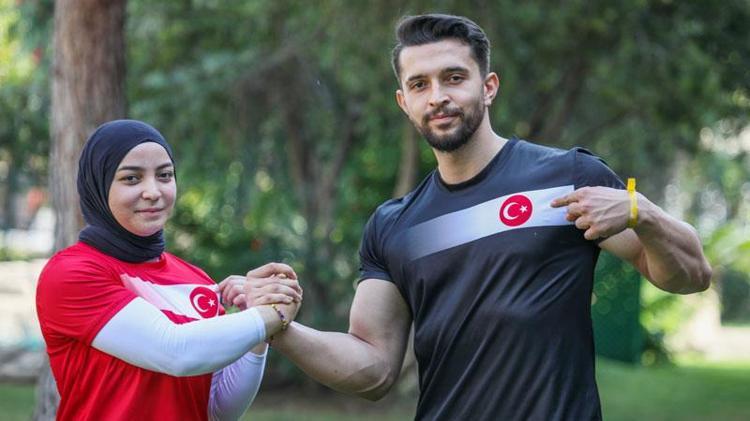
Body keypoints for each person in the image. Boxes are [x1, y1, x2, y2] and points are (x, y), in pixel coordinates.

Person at [220, 13, 712, 421]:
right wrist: (275, 326)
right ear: (404, 102)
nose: (437, 96)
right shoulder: (395, 225)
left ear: (488, 86)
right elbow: (374, 370)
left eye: (454, 78)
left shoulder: (567, 177)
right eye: (420, 84)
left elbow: (690, 275)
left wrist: (641, 212)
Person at [36, 119, 302, 421]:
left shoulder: (196, 280)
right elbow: (175, 351)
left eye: (164, 175)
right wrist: (272, 315)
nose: (153, 191)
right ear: (99, 184)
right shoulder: (72, 273)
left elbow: (219, 410)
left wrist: (256, 322)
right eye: (131, 178)